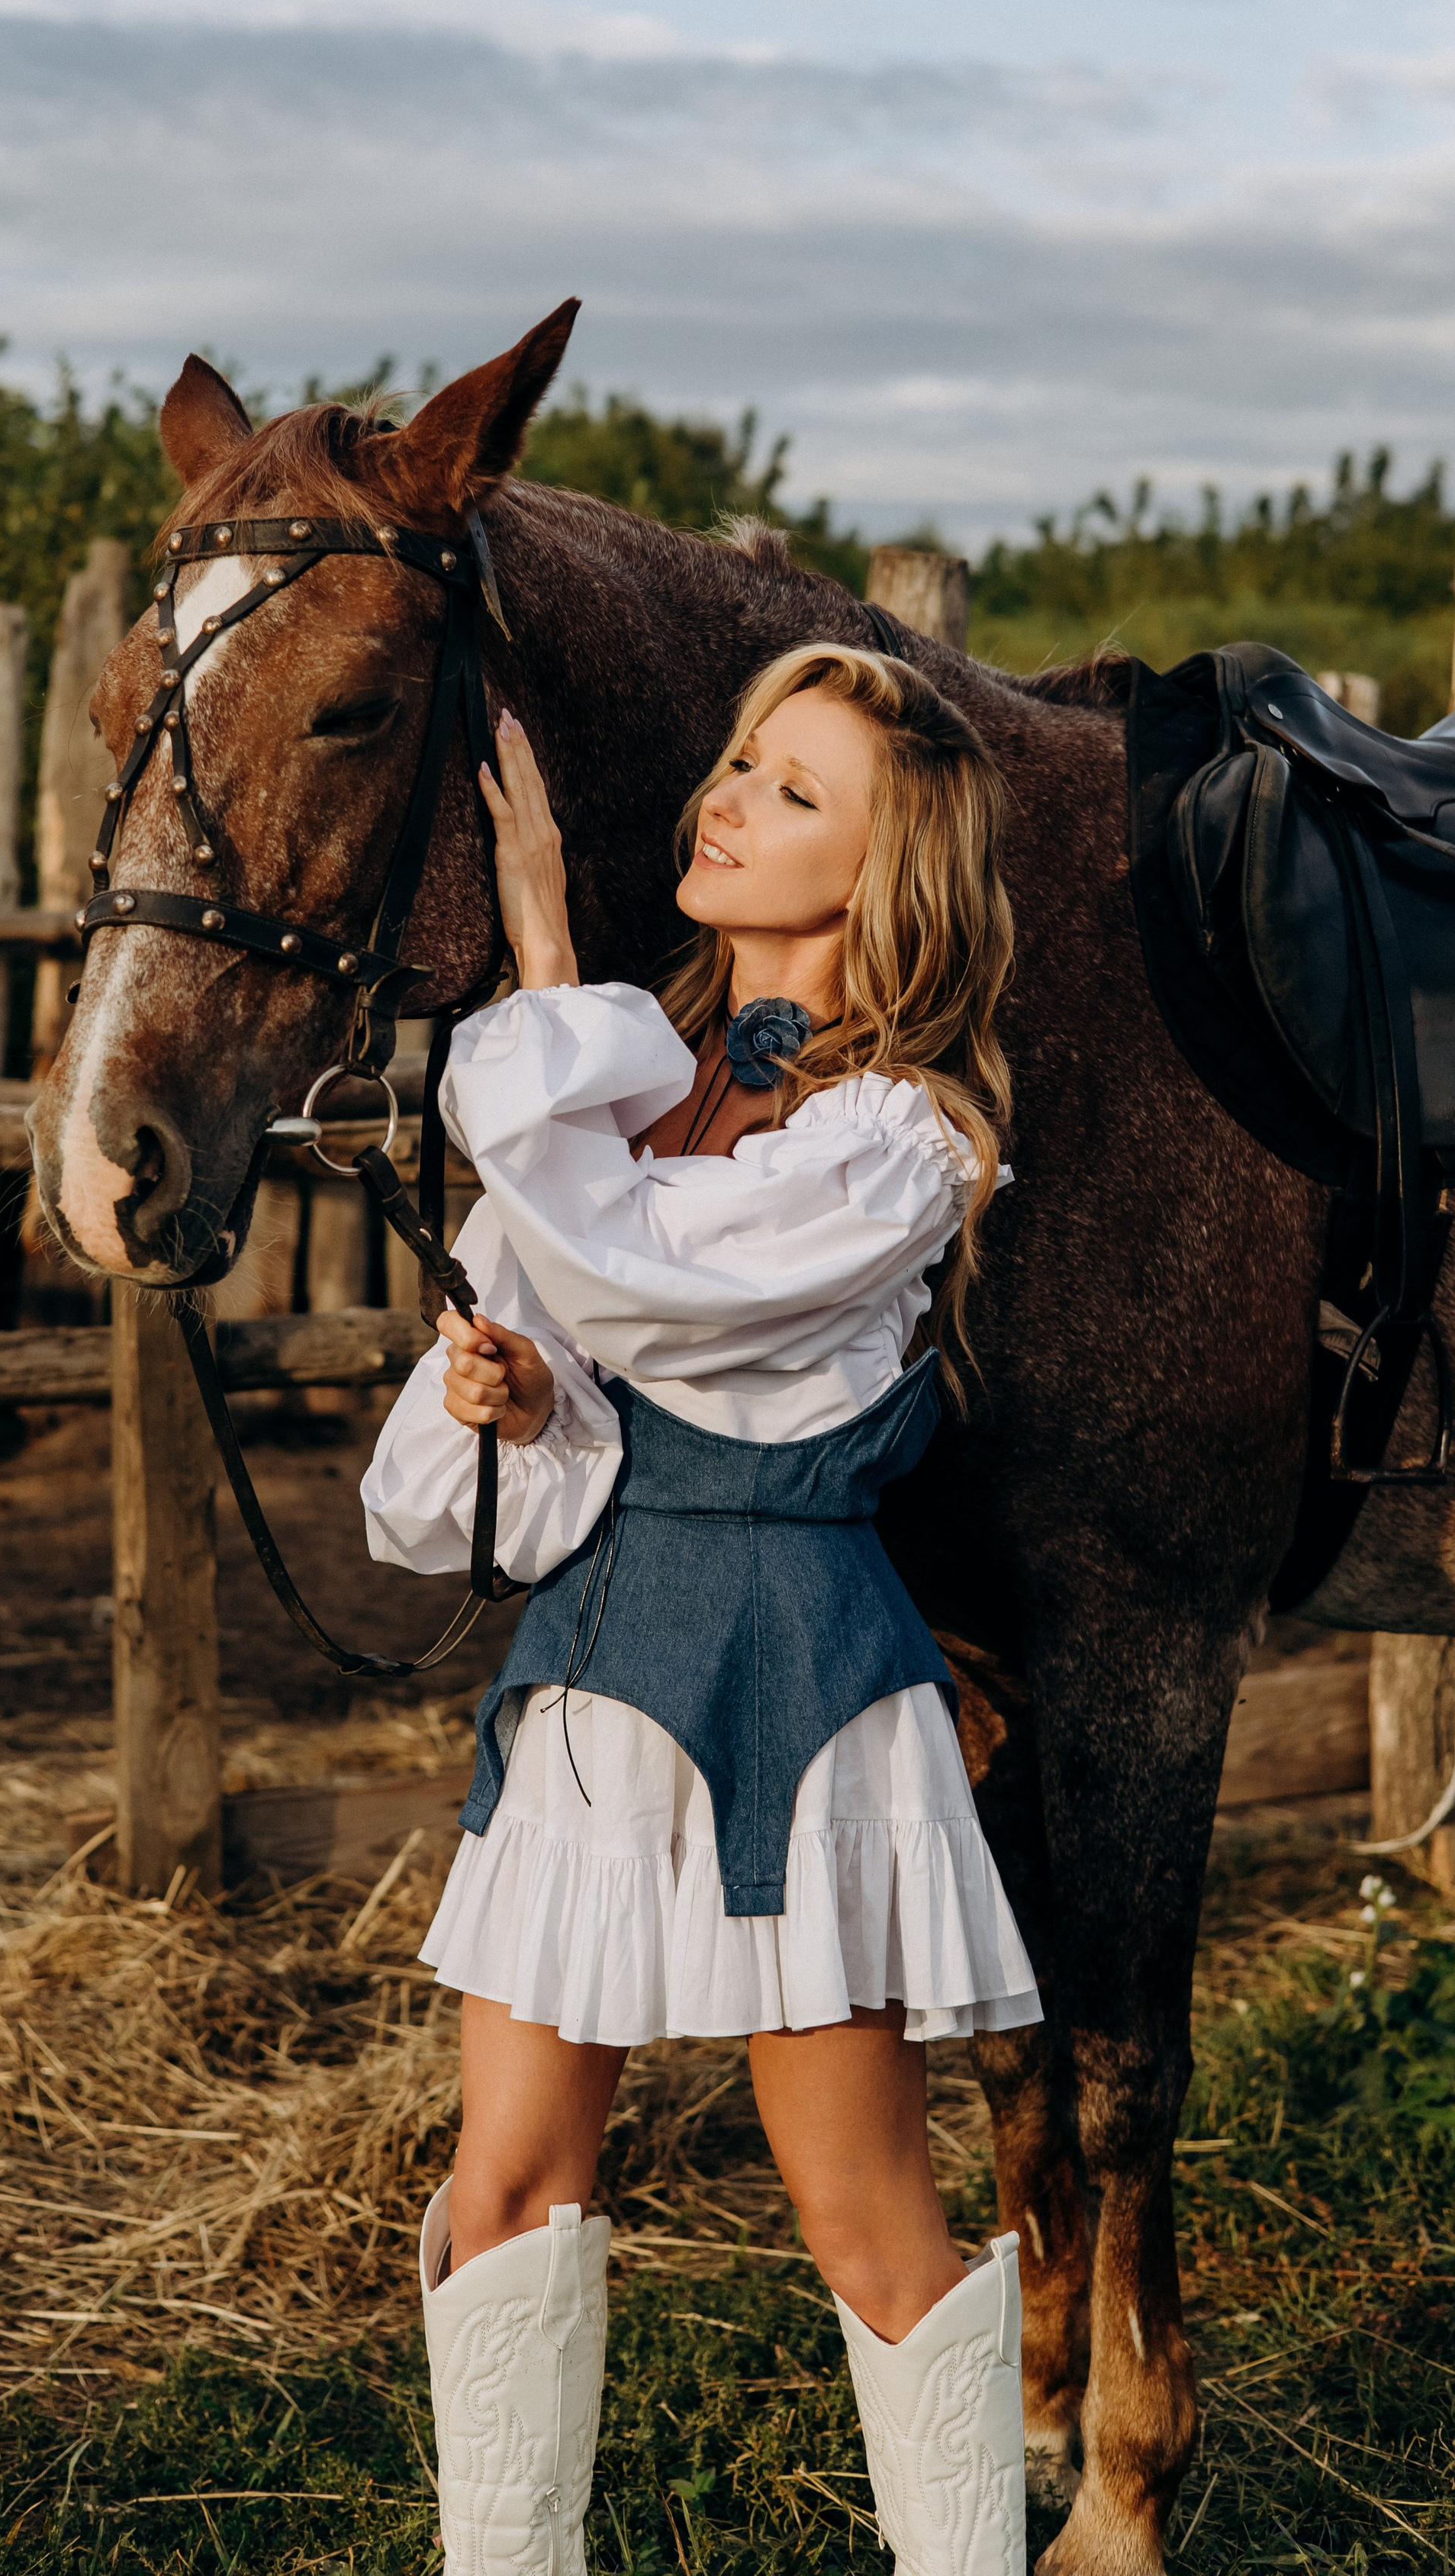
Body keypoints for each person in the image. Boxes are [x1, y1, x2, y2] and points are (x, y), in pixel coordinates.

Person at [361, 641, 1040, 2576]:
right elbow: (445, 1510)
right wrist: (505, 1402)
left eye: (792, 789)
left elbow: (650, 1276)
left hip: (801, 1703)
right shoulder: (618, 1110)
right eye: (740, 761)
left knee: (863, 2216)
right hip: (582, 1683)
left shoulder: (900, 1138)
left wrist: (545, 954)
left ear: (889, 872)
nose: (726, 799)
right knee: (502, 2183)